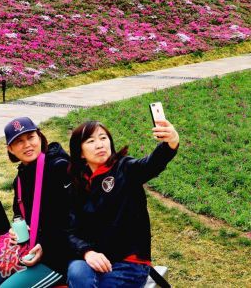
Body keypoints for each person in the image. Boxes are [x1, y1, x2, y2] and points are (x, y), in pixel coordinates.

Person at [66, 118, 180, 288]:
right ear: (80, 152)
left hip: (129, 263)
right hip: (93, 261)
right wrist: (87, 252)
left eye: (103, 138)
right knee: (76, 271)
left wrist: (171, 142)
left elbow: (150, 164)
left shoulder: (125, 169)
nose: (100, 145)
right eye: (91, 141)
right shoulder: (77, 184)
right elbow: (69, 229)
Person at [0, 117, 72, 288]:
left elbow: (73, 220)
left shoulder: (60, 168)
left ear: (40, 137)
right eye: (19, 141)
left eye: (31, 137)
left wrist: (45, 245)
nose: (27, 145)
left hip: (58, 255)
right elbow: (20, 214)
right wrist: (16, 230)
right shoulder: (20, 178)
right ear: (10, 149)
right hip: (29, 250)